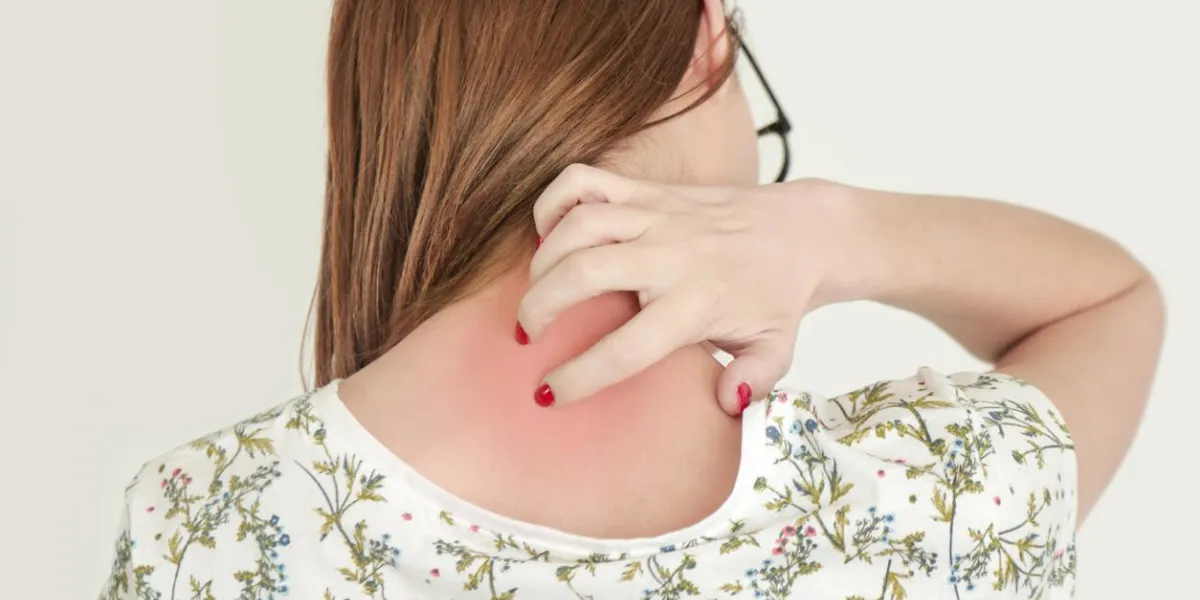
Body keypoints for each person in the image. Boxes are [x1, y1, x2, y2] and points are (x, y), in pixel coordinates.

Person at [98, 0, 1162, 598]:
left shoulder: (203, 526)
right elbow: (1112, 301)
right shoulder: (930, 503)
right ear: (707, 38)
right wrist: (832, 230)